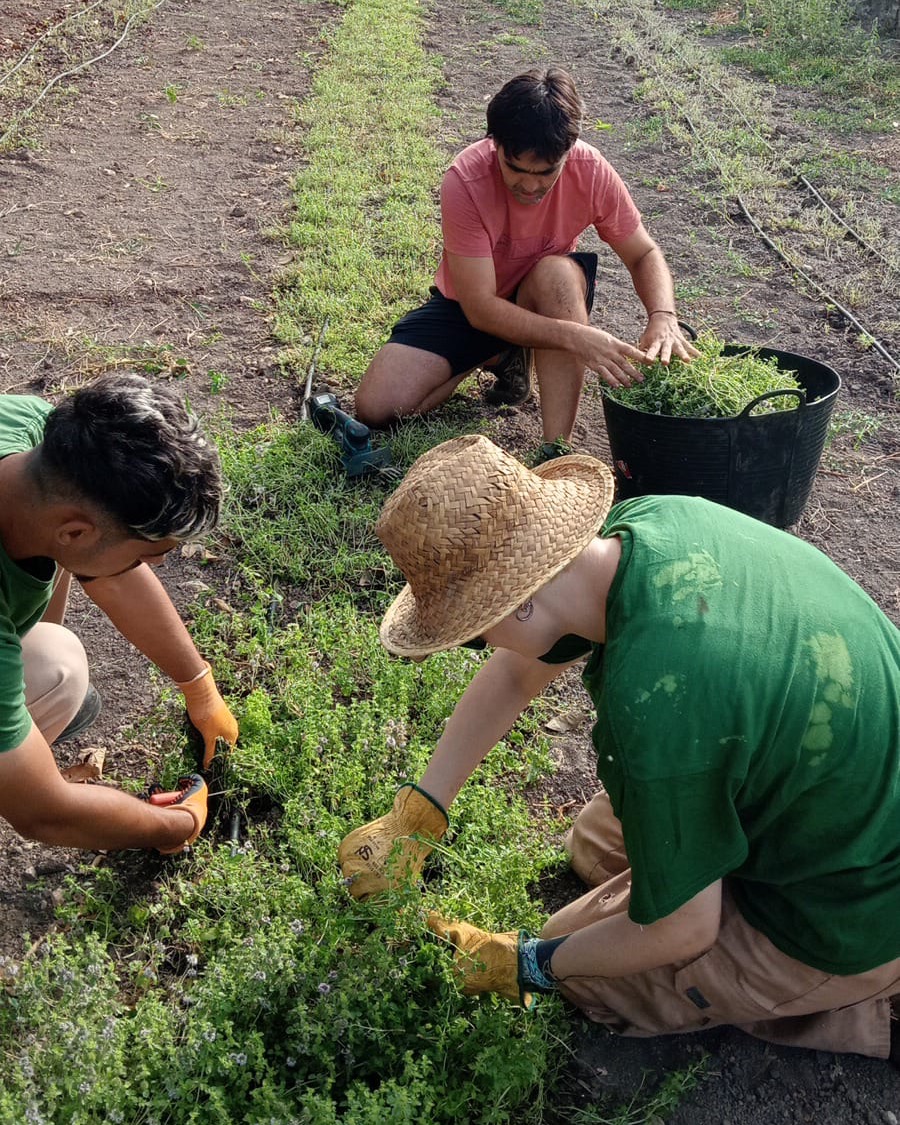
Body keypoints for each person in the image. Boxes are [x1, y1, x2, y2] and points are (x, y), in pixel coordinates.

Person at [339, 434, 900, 1059]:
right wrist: (418, 811)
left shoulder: (656, 702)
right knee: (594, 844)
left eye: (474, 630)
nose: (480, 646)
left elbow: (684, 930)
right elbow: (521, 668)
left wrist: (529, 962)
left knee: (590, 974)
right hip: (836, 792)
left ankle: (867, 1001)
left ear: (521, 603)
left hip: (851, 901)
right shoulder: (645, 526)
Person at [354, 67, 698, 463]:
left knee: (554, 273)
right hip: (473, 303)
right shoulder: (465, 180)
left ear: (567, 153)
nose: (531, 186)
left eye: (546, 172)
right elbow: (479, 307)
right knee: (378, 407)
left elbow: (644, 254)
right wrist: (576, 337)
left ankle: (557, 451)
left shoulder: (591, 169)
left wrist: (662, 314)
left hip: (545, 294)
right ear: (495, 144)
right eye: (516, 169)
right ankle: (503, 355)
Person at [0, 373, 239, 856]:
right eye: (147, 554)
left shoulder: (34, 436)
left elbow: (108, 570)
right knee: (58, 667)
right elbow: (42, 810)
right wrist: (174, 826)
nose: (157, 565)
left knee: (55, 654)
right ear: (74, 532)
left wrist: (199, 686)